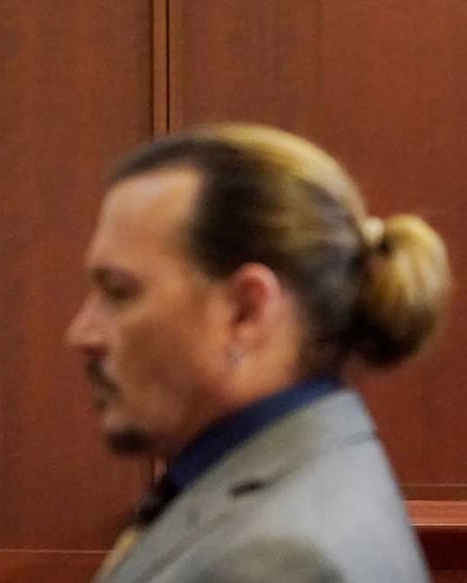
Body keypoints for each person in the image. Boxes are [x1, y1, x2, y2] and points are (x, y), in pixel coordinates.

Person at [66, 124, 449, 582]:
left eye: (120, 292)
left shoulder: (274, 559)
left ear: (246, 311)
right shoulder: (301, 474)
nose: (83, 333)